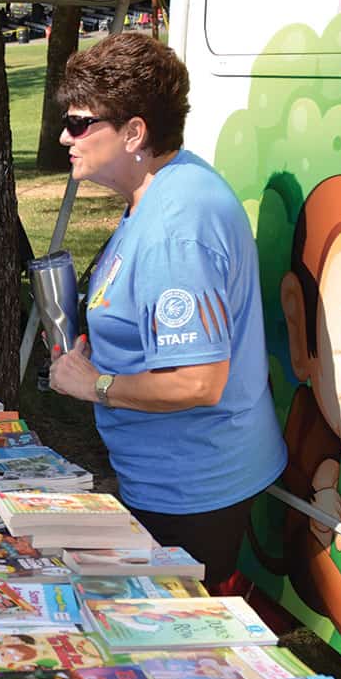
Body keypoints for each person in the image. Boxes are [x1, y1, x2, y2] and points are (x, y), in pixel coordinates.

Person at [47, 33, 286, 591]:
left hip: (193, 487)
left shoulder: (177, 225)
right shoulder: (161, 189)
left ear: (134, 132)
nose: (65, 136)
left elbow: (196, 383)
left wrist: (95, 385)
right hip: (174, 476)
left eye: (81, 124)